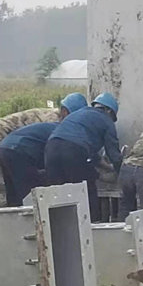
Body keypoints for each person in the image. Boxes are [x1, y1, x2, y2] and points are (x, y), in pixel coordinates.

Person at [0, 92, 87, 207]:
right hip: (0, 136)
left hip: (14, 142)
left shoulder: (61, 117)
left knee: (10, 173)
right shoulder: (57, 122)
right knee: (6, 186)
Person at [45, 92, 122, 222]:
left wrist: (106, 167)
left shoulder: (78, 114)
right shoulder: (106, 120)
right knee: (86, 191)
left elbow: (87, 149)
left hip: (51, 148)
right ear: (109, 111)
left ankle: (60, 227)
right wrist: (120, 171)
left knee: (58, 193)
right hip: (73, 151)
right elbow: (113, 153)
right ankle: (93, 225)